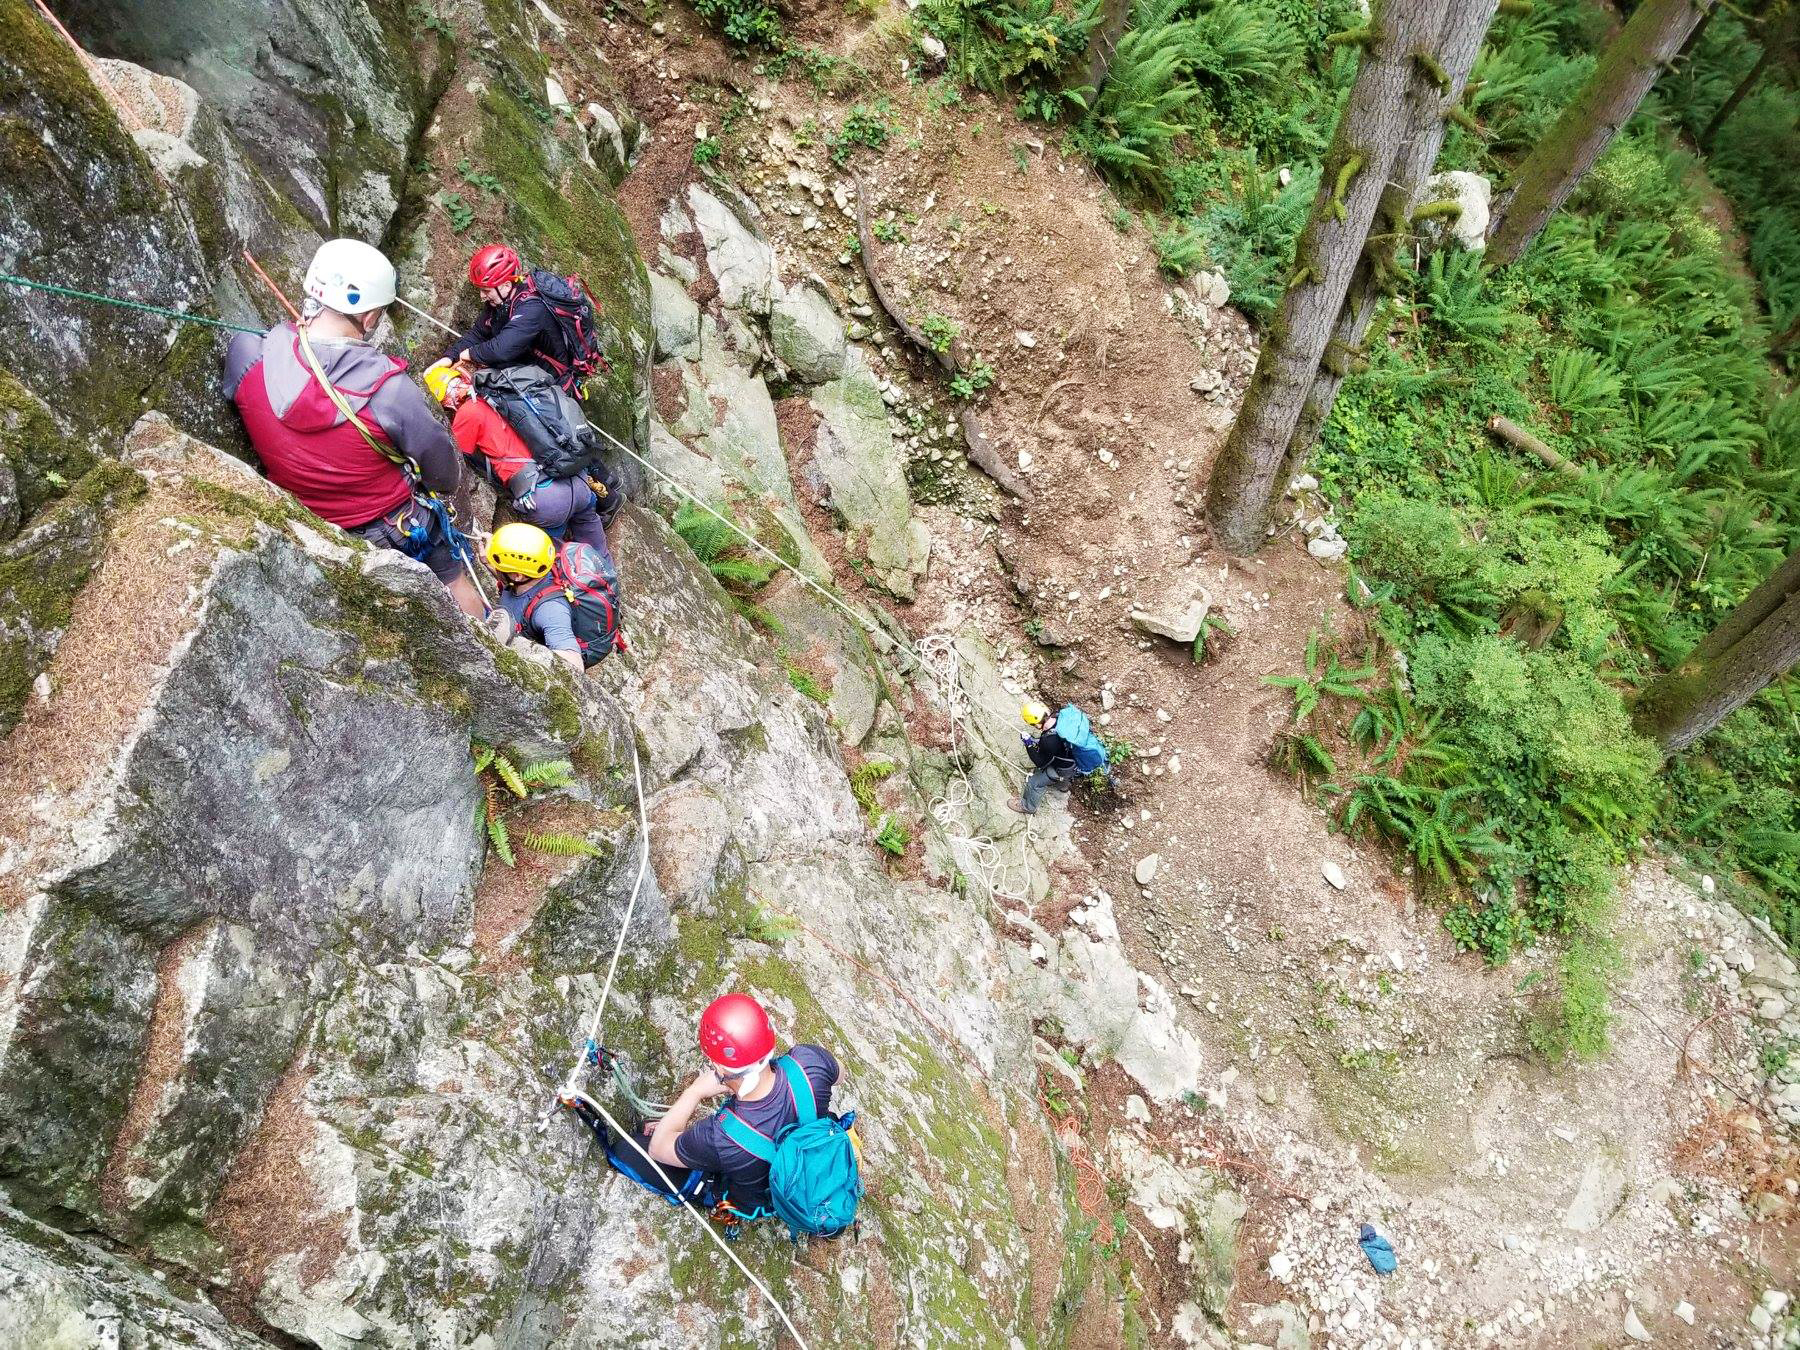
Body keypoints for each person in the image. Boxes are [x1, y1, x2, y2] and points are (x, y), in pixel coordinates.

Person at [222, 238, 483, 617]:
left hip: (306, 520)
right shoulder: (389, 391)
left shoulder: (248, 353)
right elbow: (444, 475)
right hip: (393, 526)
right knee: (453, 578)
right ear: (371, 317)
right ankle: (486, 641)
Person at [576, 993, 843, 1228]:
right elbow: (838, 1074)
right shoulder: (809, 1062)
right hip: (809, 1156)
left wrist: (694, 1092)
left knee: (626, 1150)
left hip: (759, 1198)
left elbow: (658, 1148)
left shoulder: (721, 1136)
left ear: (722, 1067)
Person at [422, 359, 612, 551]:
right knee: (595, 548)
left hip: (545, 498)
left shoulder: (468, 413)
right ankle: (605, 577)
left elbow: (457, 455)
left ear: (445, 400)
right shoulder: (506, 395)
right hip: (577, 481)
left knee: (554, 562)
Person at [447, 244, 591, 394]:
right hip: (523, 370)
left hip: (550, 384)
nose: (482, 296)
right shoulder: (501, 301)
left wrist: (469, 354)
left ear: (506, 285)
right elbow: (479, 332)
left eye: (486, 290)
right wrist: (450, 356)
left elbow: (502, 349)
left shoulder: (533, 308)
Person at [1010, 698, 1077, 815]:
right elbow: (1054, 744)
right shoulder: (1057, 716)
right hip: (1074, 761)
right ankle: (1063, 786)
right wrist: (1037, 741)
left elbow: (1040, 763)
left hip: (1061, 769)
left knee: (1033, 783)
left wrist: (1029, 745)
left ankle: (1028, 807)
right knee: (1064, 774)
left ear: (1036, 724)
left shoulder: (1048, 741)